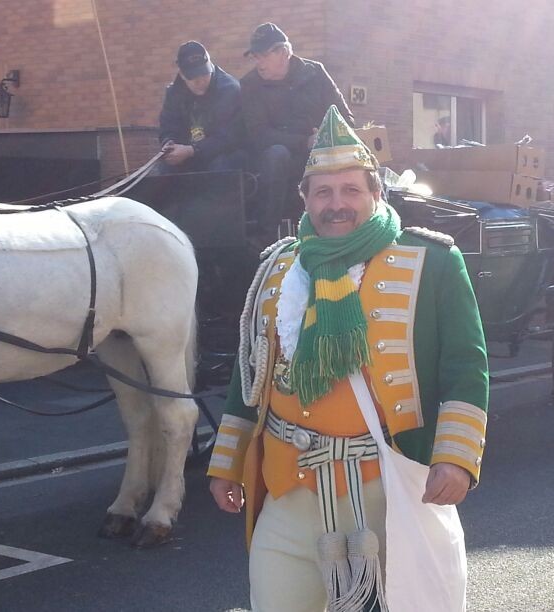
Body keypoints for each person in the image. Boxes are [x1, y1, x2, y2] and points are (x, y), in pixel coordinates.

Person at [208, 106, 488, 611]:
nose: (336, 204)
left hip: (387, 493)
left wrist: (455, 456)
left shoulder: (433, 262)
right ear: (306, 199)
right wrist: (228, 461)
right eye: (323, 192)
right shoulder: (278, 266)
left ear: (376, 194)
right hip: (288, 490)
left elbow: (465, 366)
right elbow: (250, 370)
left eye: (350, 190)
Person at [241, 23, 355, 241]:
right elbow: (259, 135)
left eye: (264, 56)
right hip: (279, 156)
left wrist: (327, 134)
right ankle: (266, 237)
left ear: (284, 52)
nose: (259, 63)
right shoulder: (250, 84)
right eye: (255, 57)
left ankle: (356, 228)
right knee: (276, 154)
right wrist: (305, 142)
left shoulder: (315, 72)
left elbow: (345, 118)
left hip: (321, 152)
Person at [157, 41, 245, 173]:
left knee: (221, 165)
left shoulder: (229, 89)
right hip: (188, 154)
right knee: (165, 168)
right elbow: (168, 125)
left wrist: (192, 150)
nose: (200, 81)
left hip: (223, 152)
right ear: (182, 75)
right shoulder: (174, 92)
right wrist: (169, 142)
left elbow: (229, 137)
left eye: (204, 73)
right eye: (193, 77)